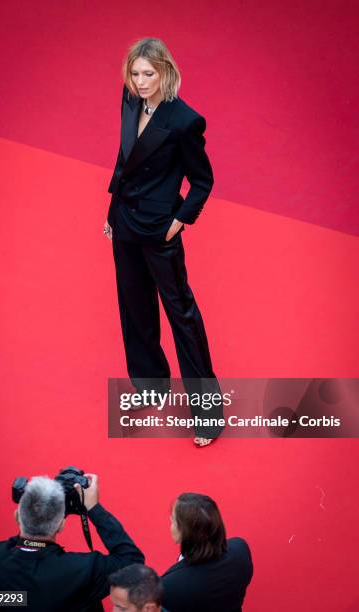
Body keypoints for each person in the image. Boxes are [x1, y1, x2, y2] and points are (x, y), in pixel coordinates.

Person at [104, 37, 223, 447]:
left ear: (165, 71)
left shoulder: (185, 120)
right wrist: (110, 213)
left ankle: (208, 414)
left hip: (159, 228)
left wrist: (178, 222)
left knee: (181, 313)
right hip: (124, 223)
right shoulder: (130, 98)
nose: (140, 81)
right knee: (133, 304)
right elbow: (124, 160)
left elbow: (203, 181)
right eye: (135, 74)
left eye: (149, 73)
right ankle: (150, 385)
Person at [0, 474, 144, 611]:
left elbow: (20, 544)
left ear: (16, 517)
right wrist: (93, 507)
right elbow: (133, 562)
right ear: (61, 525)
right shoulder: (82, 571)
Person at [161, 493, 253, 611]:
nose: (171, 525)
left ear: (184, 532)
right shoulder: (240, 550)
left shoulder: (171, 586)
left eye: (172, 521)